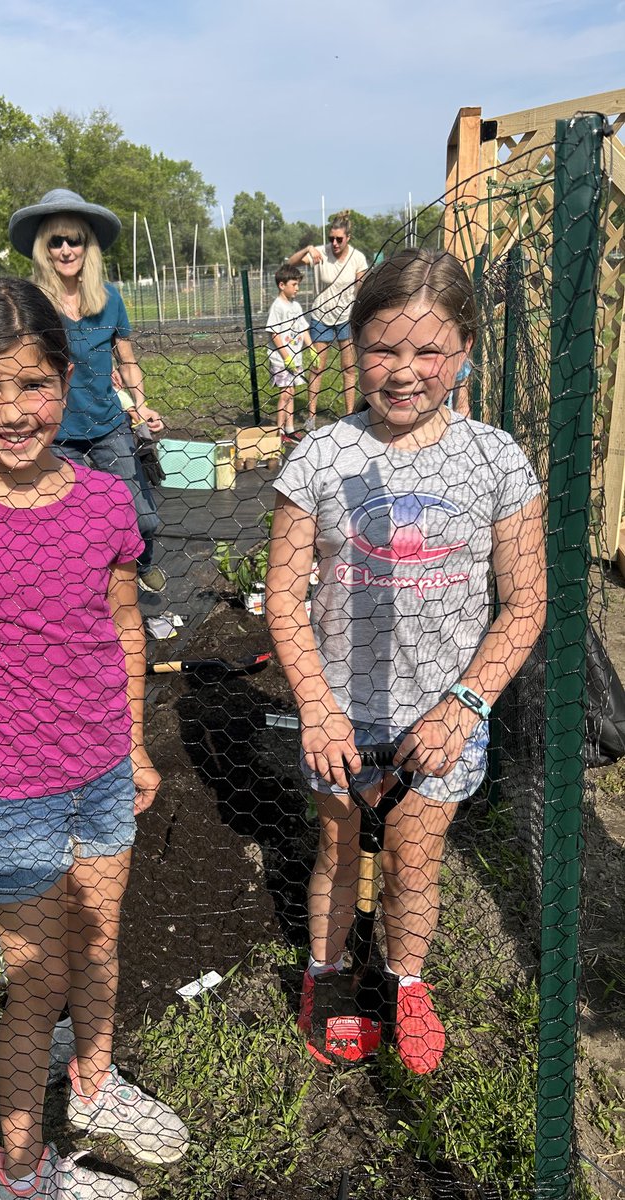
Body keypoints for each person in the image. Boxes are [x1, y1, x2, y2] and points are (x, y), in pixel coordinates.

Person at [0, 277, 188, 1200]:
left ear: (67, 379)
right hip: (7, 792)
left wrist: (134, 745)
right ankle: (19, 1171)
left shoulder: (103, 505)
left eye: (32, 385)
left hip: (100, 773)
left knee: (100, 945)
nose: (12, 412)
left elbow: (125, 633)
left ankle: (92, 1089)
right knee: (38, 979)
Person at [265, 249, 545, 1075]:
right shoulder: (320, 458)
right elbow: (283, 597)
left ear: (464, 352)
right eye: (383, 348)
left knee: (415, 862)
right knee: (338, 852)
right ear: (353, 345)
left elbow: (524, 602)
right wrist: (316, 705)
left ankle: (407, 978)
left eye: (429, 352)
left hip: (444, 712)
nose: (404, 372)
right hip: (341, 713)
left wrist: (465, 703)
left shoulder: (496, 460)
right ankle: (326, 972)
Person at [9, 189, 166, 594]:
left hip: (109, 424)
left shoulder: (110, 298)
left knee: (142, 517)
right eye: (55, 241)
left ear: (87, 245)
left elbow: (127, 360)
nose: (65, 249)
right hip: (58, 434)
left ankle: (140, 564)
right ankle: (95, 596)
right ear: (44, 249)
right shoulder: (32, 303)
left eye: (73, 239)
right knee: (74, 526)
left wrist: (142, 405)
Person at [287, 214, 368, 419]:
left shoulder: (357, 258)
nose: (334, 243)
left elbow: (362, 285)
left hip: (346, 318)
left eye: (339, 239)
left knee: (349, 368)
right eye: (332, 238)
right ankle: (311, 417)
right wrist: (308, 248)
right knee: (317, 367)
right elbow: (290, 264)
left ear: (348, 237)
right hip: (320, 317)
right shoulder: (320, 253)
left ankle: (350, 415)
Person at [266, 264, 312, 440]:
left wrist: (312, 349)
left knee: (291, 393)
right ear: (282, 285)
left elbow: (303, 329)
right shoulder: (278, 306)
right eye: (294, 284)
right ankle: (280, 431)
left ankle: (290, 428)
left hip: (295, 358)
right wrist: (286, 358)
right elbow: (274, 333)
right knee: (285, 394)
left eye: (298, 284)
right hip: (281, 359)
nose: (297, 288)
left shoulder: (296, 306)